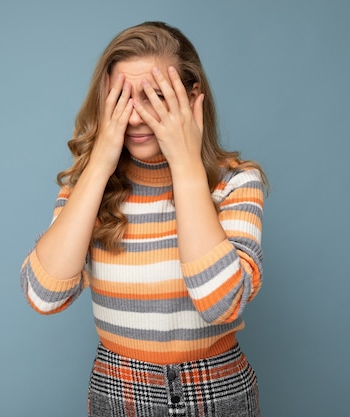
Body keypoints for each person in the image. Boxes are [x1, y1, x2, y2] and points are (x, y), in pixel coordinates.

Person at [21, 21, 268, 417]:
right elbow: (43, 295)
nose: (135, 117)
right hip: (118, 392)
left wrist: (185, 163)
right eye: (121, 98)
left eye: (156, 97)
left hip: (218, 391)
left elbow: (221, 303)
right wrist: (100, 162)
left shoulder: (235, 183)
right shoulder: (88, 190)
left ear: (191, 99)